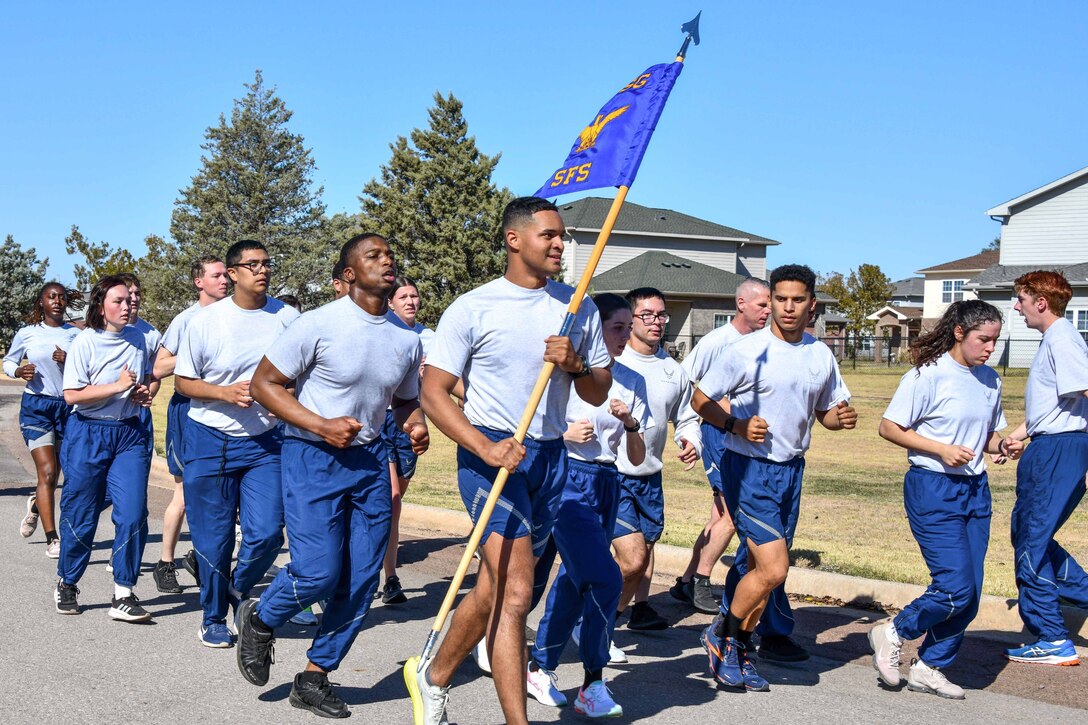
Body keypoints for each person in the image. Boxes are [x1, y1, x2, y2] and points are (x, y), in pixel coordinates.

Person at [404, 196, 611, 725]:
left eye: (562, 236)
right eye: (549, 236)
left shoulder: (577, 307)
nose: (560, 244)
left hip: (549, 458)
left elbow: (598, 390)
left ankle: (431, 675)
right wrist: (484, 446)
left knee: (497, 588)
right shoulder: (474, 307)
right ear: (514, 239)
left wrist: (576, 362)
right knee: (518, 593)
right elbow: (434, 393)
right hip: (491, 457)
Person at [234, 233, 427, 717]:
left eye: (389, 254)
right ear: (347, 275)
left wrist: (415, 421)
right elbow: (264, 385)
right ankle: (263, 617)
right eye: (374, 256)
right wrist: (319, 423)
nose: (387, 261)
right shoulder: (317, 324)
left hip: (368, 461)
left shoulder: (406, 338)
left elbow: (403, 399)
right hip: (311, 455)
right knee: (319, 571)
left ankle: (315, 676)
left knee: (361, 578)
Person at [692, 264, 856, 691]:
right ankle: (721, 635)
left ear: (811, 305)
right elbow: (700, 400)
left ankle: (741, 648)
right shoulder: (748, 350)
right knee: (773, 568)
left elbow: (825, 413)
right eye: (780, 298)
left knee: (758, 569)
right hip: (747, 468)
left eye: (797, 300)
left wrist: (840, 418)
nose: (787, 307)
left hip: (790, 471)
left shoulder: (820, 354)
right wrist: (736, 426)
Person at [870, 300, 1017, 699]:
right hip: (932, 486)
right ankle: (895, 630)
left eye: (995, 341)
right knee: (954, 587)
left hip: (975, 490)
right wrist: (939, 449)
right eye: (983, 340)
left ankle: (929, 666)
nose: (990, 348)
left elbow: (985, 435)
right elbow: (889, 426)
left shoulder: (990, 379)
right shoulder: (927, 376)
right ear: (959, 333)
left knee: (970, 592)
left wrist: (1001, 444)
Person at [526, 293, 651, 717]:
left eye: (626, 326)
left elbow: (636, 456)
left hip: (608, 481)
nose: (622, 335)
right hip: (567, 477)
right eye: (615, 327)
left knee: (575, 579)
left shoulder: (634, 380)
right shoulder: (567, 375)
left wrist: (631, 424)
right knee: (606, 579)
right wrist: (564, 437)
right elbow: (531, 429)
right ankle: (592, 682)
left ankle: (540, 665)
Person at [174, 240, 300, 648]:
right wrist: (226, 393)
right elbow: (183, 383)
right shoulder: (206, 322)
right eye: (252, 264)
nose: (262, 271)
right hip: (208, 435)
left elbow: (302, 373)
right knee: (214, 537)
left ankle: (235, 589)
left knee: (266, 533)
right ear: (232, 273)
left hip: (264, 440)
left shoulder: (288, 317)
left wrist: (282, 396)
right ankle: (212, 618)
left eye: (266, 264)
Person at [1000, 271, 1088, 666]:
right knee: (1028, 534)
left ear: (1041, 301)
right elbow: (1056, 406)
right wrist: (1018, 435)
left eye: (1020, 299)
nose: (1016, 307)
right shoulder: (1056, 339)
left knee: (1032, 541)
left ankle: (1052, 637)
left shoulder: (1063, 338)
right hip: (1050, 445)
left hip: (1059, 450)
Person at [56, 275, 154, 621]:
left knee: (132, 513)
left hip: (129, 434)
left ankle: (124, 593)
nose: (127, 306)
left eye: (129, 300)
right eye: (119, 301)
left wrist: (143, 394)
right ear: (101, 306)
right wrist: (116, 387)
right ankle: (67, 582)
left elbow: (143, 385)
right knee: (81, 515)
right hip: (87, 433)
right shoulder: (85, 341)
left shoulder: (141, 338)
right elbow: (72, 395)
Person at [673, 278, 770, 614]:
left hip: (744, 437)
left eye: (769, 304)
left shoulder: (764, 342)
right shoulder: (718, 341)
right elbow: (684, 381)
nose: (768, 311)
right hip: (717, 434)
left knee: (719, 514)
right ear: (741, 303)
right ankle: (701, 580)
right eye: (762, 305)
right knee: (732, 514)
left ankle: (684, 582)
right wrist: (686, 433)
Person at [611, 287, 702, 634]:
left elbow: (687, 416)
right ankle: (602, 618)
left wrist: (689, 439)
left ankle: (634, 610)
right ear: (631, 318)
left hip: (650, 474)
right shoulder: (613, 362)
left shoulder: (672, 369)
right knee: (632, 558)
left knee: (644, 551)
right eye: (647, 315)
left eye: (661, 315)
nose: (656, 322)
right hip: (613, 472)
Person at [150, 256, 230, 593]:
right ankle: (165, 563)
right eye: (217, 275)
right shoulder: (187, 320)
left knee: (221, 493)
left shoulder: (235, 315)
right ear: (199, 281)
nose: (225, 279)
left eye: (227, 274)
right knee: (185, 493)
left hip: (225, 410)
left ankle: (200, 558)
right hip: (187, 410)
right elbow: (158, 365)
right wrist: (193, 353)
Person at [5, 282, 80, 558]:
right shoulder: (28, 333)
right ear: (41, 302)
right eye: (51, 297)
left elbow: (88, 367)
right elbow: (8, 361)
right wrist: (19, 370)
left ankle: (37, 504)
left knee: (57, 472)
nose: (57, 301)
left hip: (68, 407)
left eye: (61, 297)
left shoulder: (76, 334)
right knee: (47, 472)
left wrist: (70, 359)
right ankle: (53, 539)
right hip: (37, 406)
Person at [379, 276, 435, 604]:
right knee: (393, 498)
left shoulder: (428, 337)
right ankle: (391, 578)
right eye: (404, 296)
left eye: (415, 295)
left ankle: (387, 574)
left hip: (410, 420)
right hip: (380, 418)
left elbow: (440, 379)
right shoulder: (381, 331)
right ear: (390, 302)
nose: (411, 301)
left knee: (393, 509)